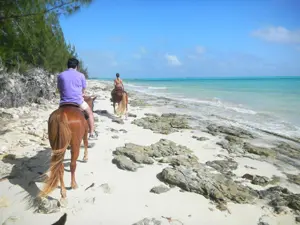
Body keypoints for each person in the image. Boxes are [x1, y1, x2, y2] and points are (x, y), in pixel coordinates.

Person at [57, 58, 97, 140]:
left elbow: (60, 89)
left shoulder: (60, 75)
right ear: (77, 66)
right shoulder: (81, 75)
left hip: (63, 102)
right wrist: (81, 93)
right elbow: (83, 90)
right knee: (89, 113)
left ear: (67, 65)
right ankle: (92, 133)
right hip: (77, 101)